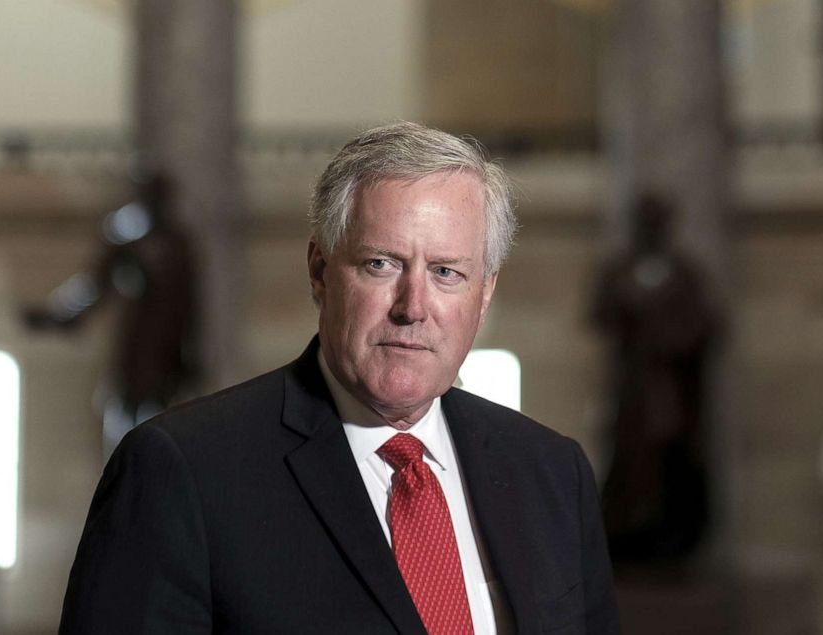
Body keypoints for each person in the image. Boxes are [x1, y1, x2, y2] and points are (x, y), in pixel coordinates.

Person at [59, 122, 618, 634]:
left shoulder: (552, 473)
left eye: (447, 272)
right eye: (382, 264)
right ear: (320, 272)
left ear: (485, 293)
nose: (413, 306)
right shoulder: (181, 472)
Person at [26, 170, 199, 457]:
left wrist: (193, 352)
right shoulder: (125, 235)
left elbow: (192, 305)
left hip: (169, 347)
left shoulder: (178, 242)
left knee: (166, 424)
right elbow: (94, 285)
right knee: (127, 419)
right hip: (136, 343)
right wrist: (59, 314)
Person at [591, 194, 718, 563]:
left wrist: (668, 340)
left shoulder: (684, 273)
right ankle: (629, 538)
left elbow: (706, 325)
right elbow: (600, 314)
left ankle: (675, 542)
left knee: (674, 466)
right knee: (630, 466)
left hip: (672, 391)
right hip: (631, 391)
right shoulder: (620, 270)